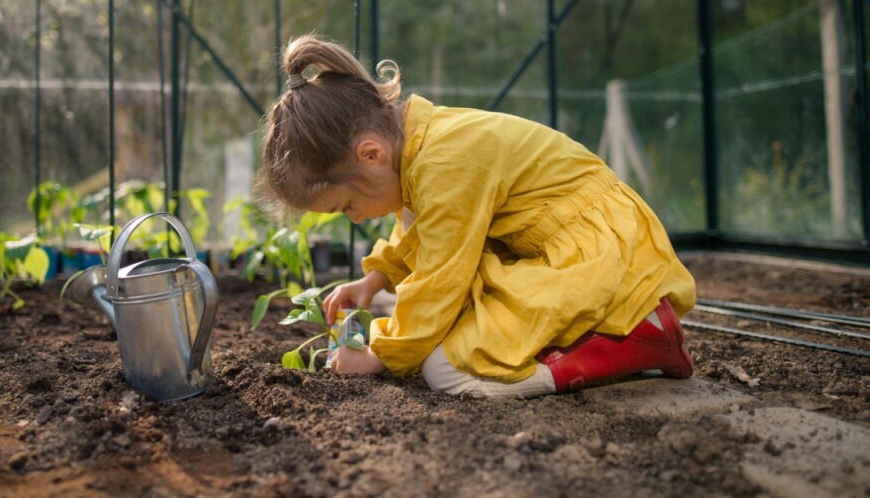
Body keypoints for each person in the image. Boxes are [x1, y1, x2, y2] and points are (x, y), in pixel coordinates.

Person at [259, 34, 696, 397]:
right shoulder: (419, 142)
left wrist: (381, 357)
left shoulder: (446, 163)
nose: (354, 219)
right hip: (562, 244)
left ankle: (636, 338)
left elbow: (440, 280)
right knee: (429, 321)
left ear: (370, 155)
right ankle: (606, 330)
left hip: (599, 255)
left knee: (445, 370)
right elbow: (422, 225)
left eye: (346, 206)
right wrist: (375, 279)